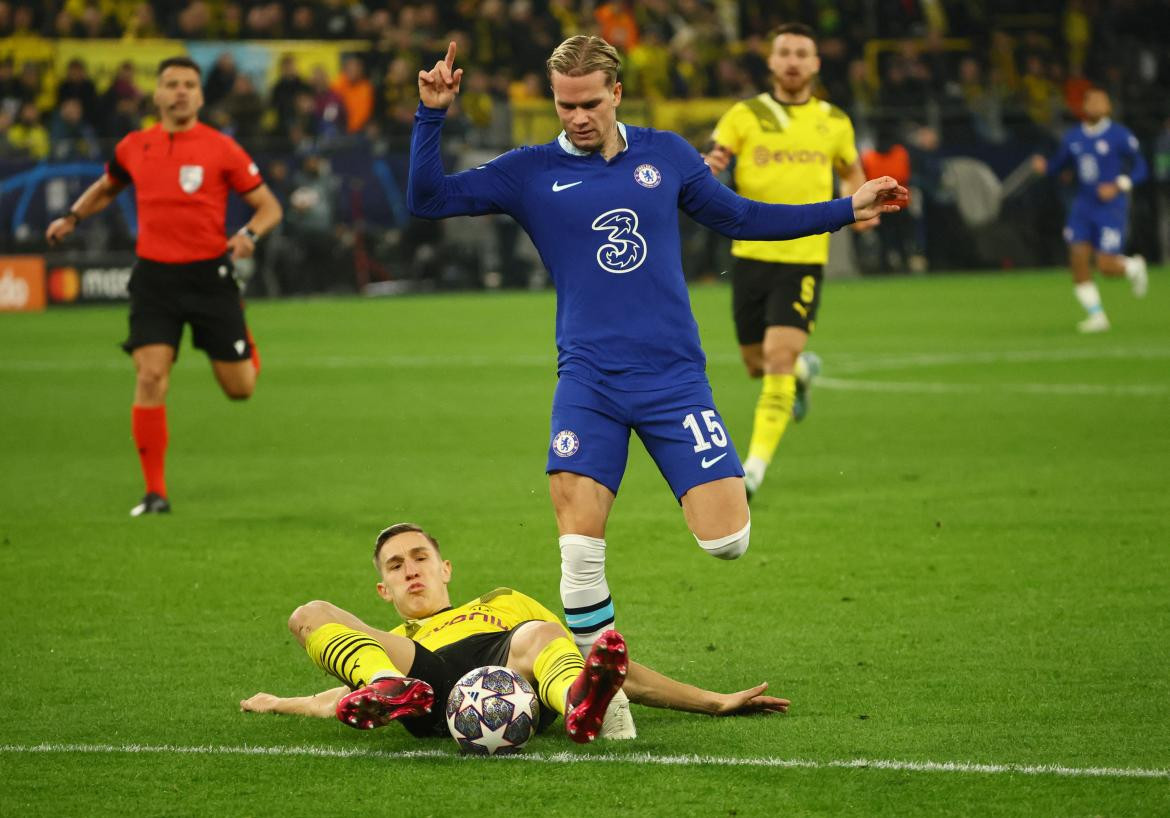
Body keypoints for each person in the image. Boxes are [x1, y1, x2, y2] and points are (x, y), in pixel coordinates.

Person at [407, 36, 903, 736]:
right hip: (588, 379)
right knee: (579, 548)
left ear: (615, 94)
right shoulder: (529, 171)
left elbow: (740, 217)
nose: (576, 117)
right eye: (563, 104)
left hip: (674, 378)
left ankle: (618, 657)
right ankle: (604, 704)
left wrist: (843, 209)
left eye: (588, 103)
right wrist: (431, 116)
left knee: (725, 541)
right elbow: (427, 199)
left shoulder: (665, 155)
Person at [240, 523, 790, 745]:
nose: (410, 569)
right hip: (423, 681)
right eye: (394, 565)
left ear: (445, 567)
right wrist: (278, 703)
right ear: (383, 588)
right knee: (309, 611)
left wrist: (712, 701)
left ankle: (578, 703)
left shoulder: (499, 603)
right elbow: (331, 697)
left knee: (543, 631)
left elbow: (610, 665)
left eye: (420, 557)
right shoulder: (384, 640)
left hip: (511, 667)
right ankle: (388, 688)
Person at [45, 56, 282, 516]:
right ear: (156, 94)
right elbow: (108, 186)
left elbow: (268, 206)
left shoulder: (222, 148)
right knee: (150, 377)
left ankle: (243, 334)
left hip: (210, 277)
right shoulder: (136, 146)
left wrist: (249, 234)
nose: (180, 92)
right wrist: (73, 216)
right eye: (171, 84)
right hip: (154, 278)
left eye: (189, 84)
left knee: (240, 389)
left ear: (200, 94)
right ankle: (155, 494)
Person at [705, 23, 879, 501]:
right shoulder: (746, 113)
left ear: (816, 63)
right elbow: (717, 158)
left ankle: (752, 470)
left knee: (779, 356)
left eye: (803, 53)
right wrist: (705, 170)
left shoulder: (834, 121)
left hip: (803, 256)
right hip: (750, 253)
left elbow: (851, 171)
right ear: (771, 61)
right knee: (757, 364)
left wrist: (859, 205)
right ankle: (803, 375)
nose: (793, 61)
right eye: (785, 52)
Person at [1030, 87, 1148, 333]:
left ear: (1108, 108)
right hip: (1083, 206)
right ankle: (1097, 317)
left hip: (1111, 207)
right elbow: (1058, 166)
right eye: (1091, 101)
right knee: (1078, 260)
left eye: (1101, 102)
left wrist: (1119, 185)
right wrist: (1045, 167)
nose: (1095, 106)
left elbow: (1141, 167)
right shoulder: (1074, 138)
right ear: (1084, 107)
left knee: (1106, 266)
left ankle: (1134, 266)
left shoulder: (1119, 135)